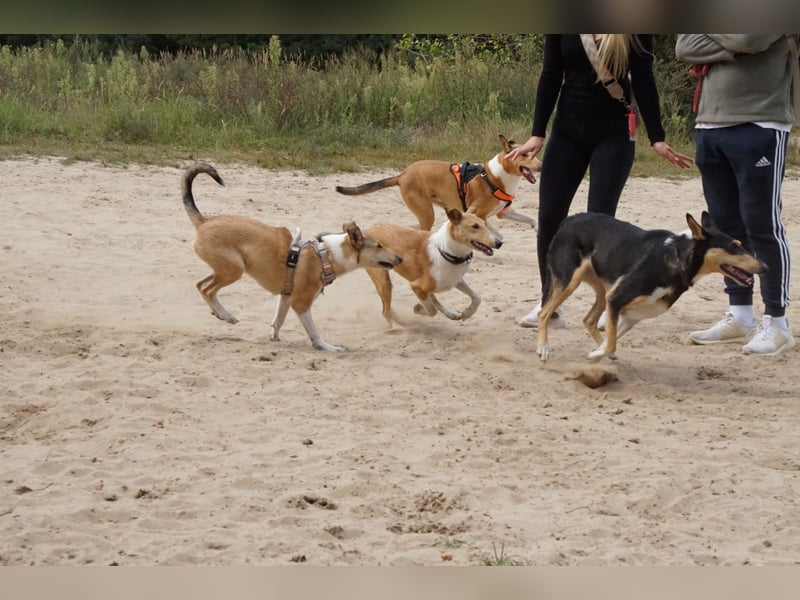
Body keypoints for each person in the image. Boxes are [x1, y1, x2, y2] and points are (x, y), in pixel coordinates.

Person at [507, 34, 693, 329]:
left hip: (614, 135)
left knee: (601, 224)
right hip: (567, 132)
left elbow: (644, 79)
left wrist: (657, 138)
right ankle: (550, 305)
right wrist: (537, 133)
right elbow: (551, 74)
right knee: (550, 217)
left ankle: (611, 304)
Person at [676, 34, 797, 356]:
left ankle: (777, 322)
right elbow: (684, 47)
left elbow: (750, 39)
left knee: (762, 224)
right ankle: (741, 315)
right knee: (724, 228)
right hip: (709, 123)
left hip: (761, 121)